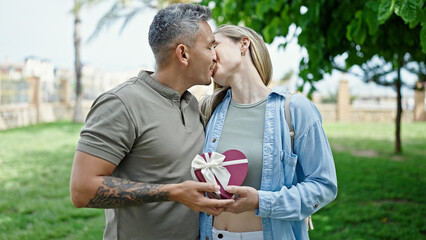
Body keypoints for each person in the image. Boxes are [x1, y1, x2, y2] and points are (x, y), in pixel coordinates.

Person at [69, 4, 235, 240]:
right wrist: (173, 192)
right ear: (183, 53)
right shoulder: (121, 103)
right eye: (210, 46)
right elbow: (81, 191)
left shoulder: (191, 105)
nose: (215, 55)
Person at [199, 25, 338, 240]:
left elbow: (324, 186)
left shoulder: (295, 109)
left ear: (243, 44)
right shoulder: (208, 110)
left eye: (214, 45)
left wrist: (261, 201)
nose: (210, 54)